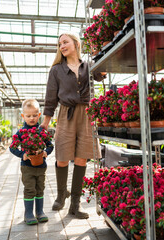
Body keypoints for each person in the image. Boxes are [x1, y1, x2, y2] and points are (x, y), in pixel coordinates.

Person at [41, 33, 105, 219]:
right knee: (62, 156)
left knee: (81, 158)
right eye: (59, 43)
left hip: (87, 114)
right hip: (66, 114)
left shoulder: (88, 66)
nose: (62, 46)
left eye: (65, 42)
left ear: (76, 44)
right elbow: (51, 96)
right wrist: (46, 121)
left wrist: (99, 58)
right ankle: (62, 194)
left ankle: (75, 204)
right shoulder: (56, 70)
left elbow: (101, 75)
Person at [10, 99, 54, 225]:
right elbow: (12, 147)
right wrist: (22, 154)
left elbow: (50, 145)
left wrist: (46, 152)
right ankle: (28, 213)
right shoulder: (20, 133)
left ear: (39, 115)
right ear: (23, 116)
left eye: (35, 115)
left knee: (40, 188)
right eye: (28, 116)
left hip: (41, 166)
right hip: (27, 167)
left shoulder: (41, 132)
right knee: (30, 189)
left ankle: (40, 212)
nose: (32, 118)